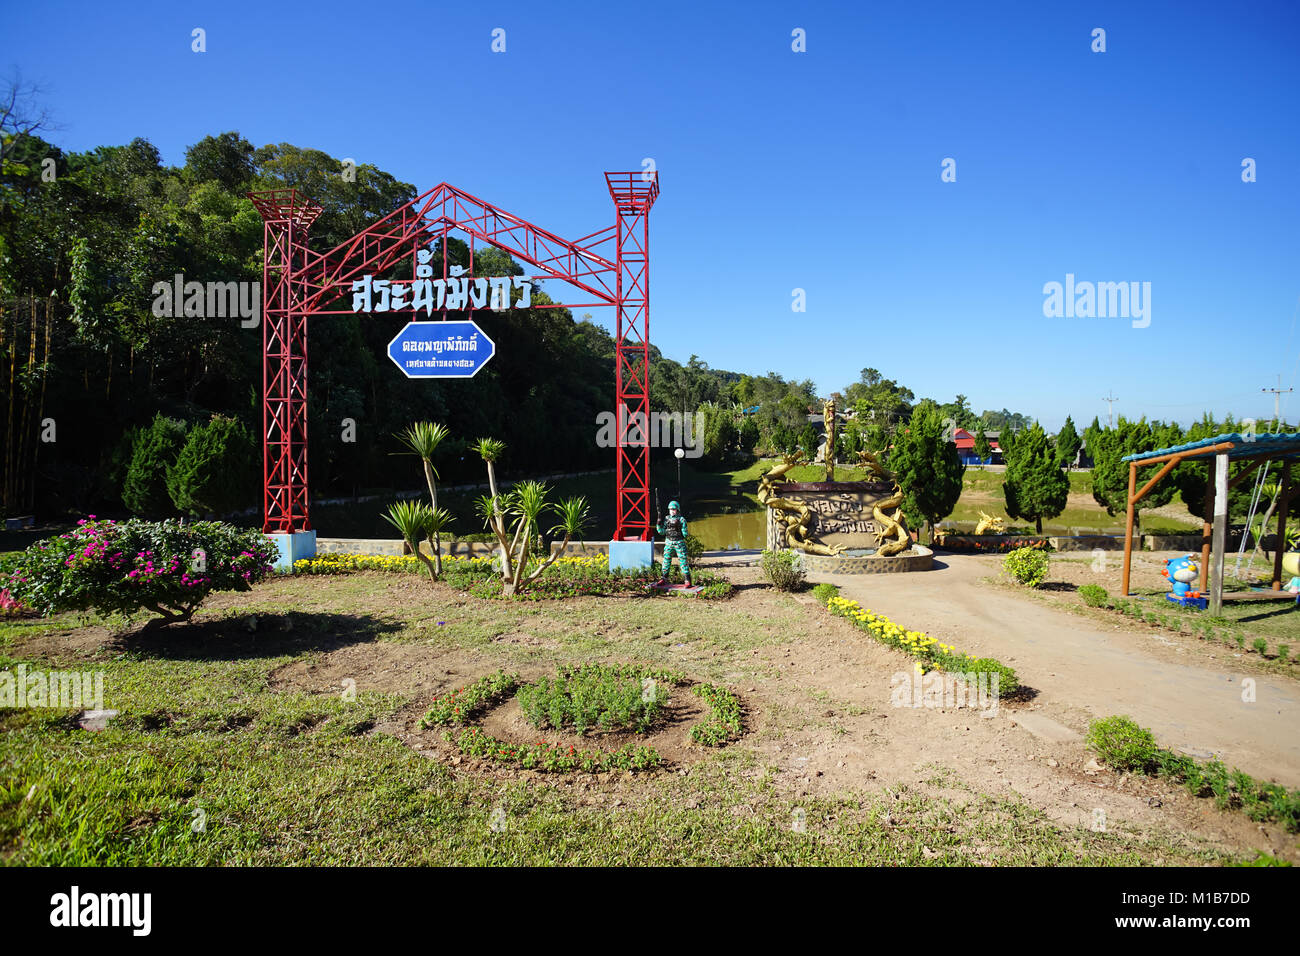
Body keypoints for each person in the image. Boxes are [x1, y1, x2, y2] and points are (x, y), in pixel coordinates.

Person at [656, 500, 691, 587]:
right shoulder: (666, 519)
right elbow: (662, 532)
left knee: (683, 560)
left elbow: (685, 534)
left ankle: (687, 580)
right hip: (668, 542)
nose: (672, 511)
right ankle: (664, 578)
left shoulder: (681, 520)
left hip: (679, 542)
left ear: (677, 510)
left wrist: (681, 530)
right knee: (666, 560)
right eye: (670, 509)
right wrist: (658, 524)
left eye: (674, 509)